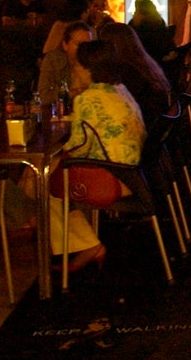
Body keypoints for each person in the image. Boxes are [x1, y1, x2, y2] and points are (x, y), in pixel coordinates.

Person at [53, 39, 148, 272]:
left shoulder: (88, 98)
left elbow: (77, 146)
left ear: (88, 69)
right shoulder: (121, 89)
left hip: (111, 180)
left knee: (46, 183)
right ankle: (86, 242)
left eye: (77, 66)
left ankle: (88, 246)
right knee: (55, 176)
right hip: (134, 175)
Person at [36, 20, 94, 106]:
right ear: (65, 45)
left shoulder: (96, 62)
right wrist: (71, 93)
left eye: (88, 45)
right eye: (79, 44)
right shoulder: (53, 60)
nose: (84, 49)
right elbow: (43, 96)